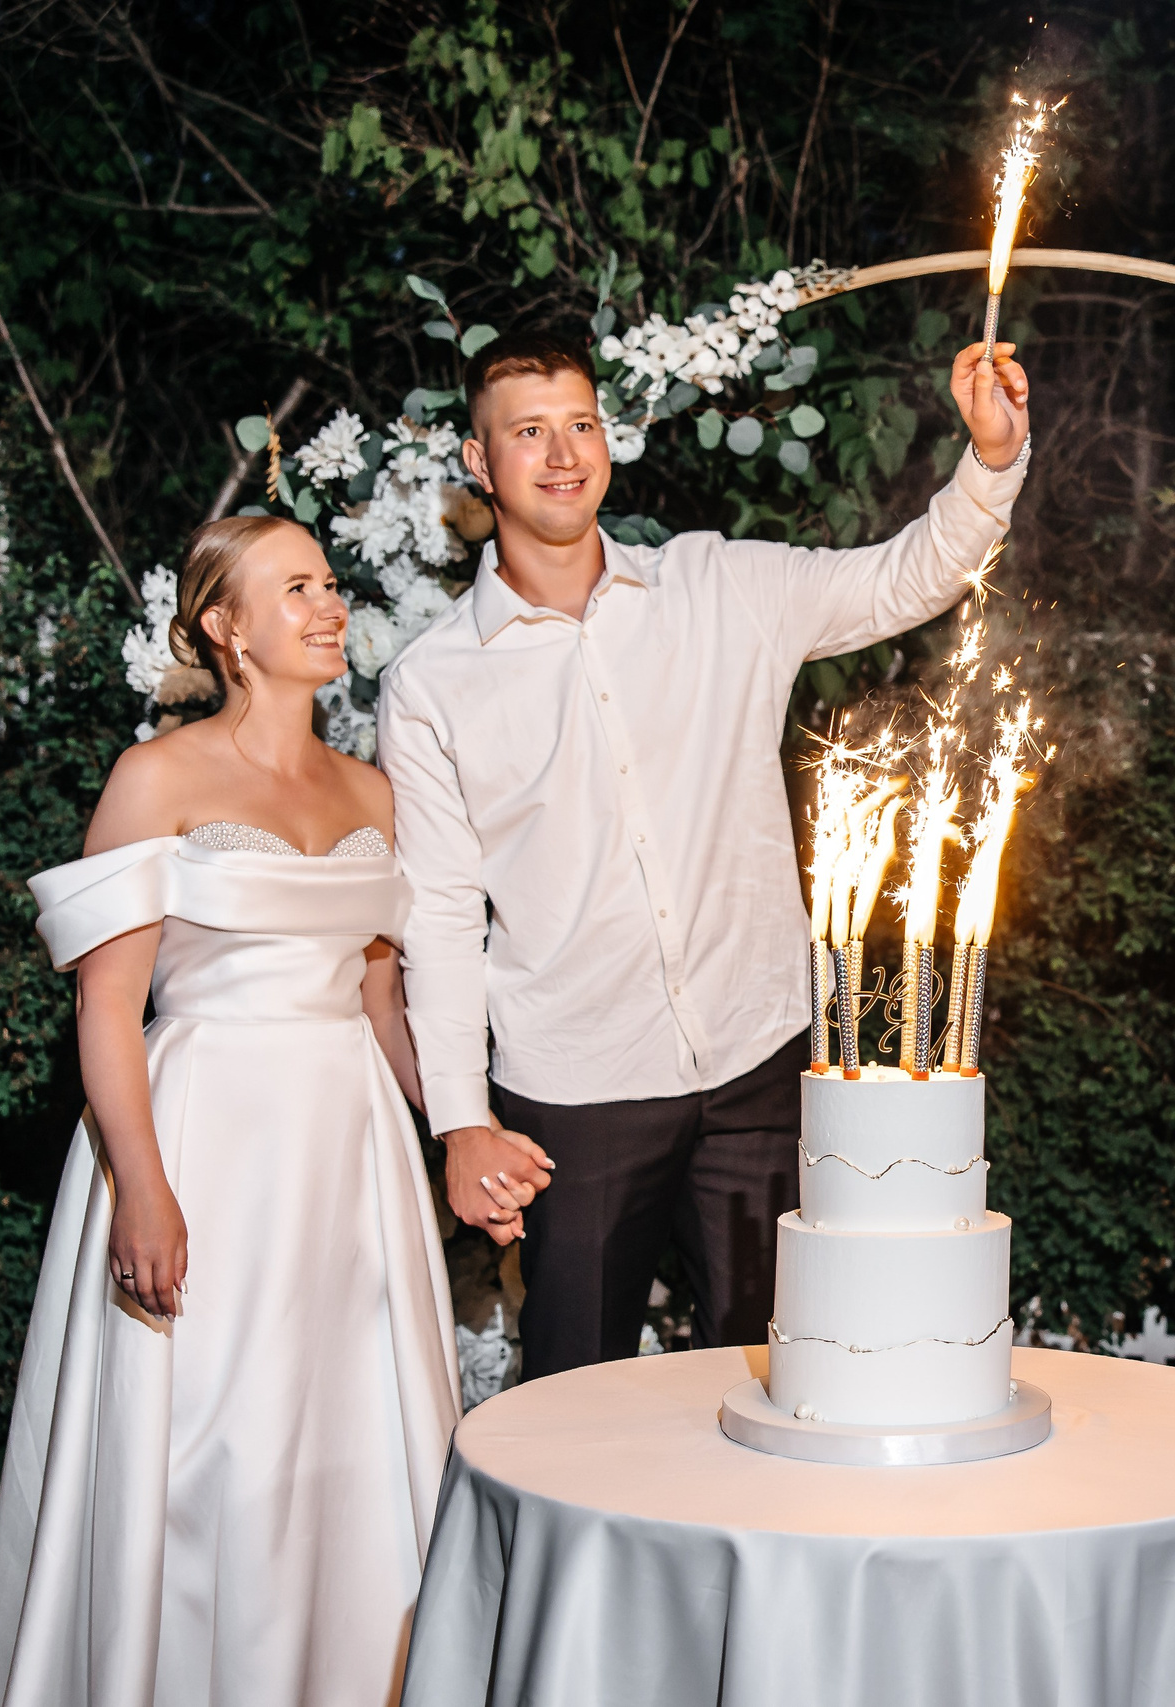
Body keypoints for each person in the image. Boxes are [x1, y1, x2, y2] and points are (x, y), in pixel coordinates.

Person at [379, 328, 1032, 1377]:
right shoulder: (432, 682)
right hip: (576, 1091)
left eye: (580, 425)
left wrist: (992, 461)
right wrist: (461, 1121)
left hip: (756, 1061)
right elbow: (440, 916)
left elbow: (902, 578)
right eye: (528, 432)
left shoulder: (719, 586)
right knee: (570, 1402)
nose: (561, 455)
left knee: (792, 1376)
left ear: (609, 439)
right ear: (476, 461)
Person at [0, 516, 465, 1707]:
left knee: (346, 1448)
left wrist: (458, 1131)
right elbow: (106, 1006)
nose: (329, 604)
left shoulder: (372, 790)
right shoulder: (160, 777)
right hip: (204, 1130)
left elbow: (383, 998)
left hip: (348, 1153)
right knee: (203, 1445)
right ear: (224, 626)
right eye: (294, 587)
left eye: (331, 582)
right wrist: (141, 1187)